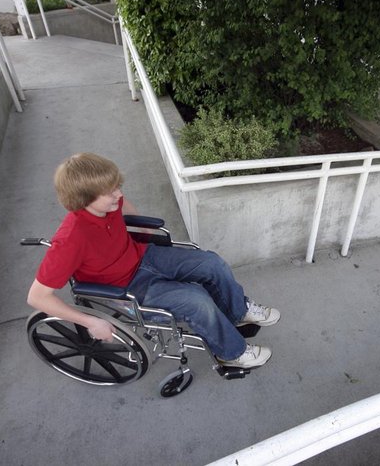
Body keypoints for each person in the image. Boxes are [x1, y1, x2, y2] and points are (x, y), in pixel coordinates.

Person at [27, 153, 279, 368]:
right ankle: (232, 354)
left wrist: (147, 234)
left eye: (117, 186)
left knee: (212, 263)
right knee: (197, 301)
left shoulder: (111, 203)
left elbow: (131, 213)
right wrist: (90, 321)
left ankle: (238, 311)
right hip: (125, 287)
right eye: (110, 192)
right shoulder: (71, 238)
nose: (119, 194)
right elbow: (37, 297)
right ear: (84, 199)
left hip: (143, 256)